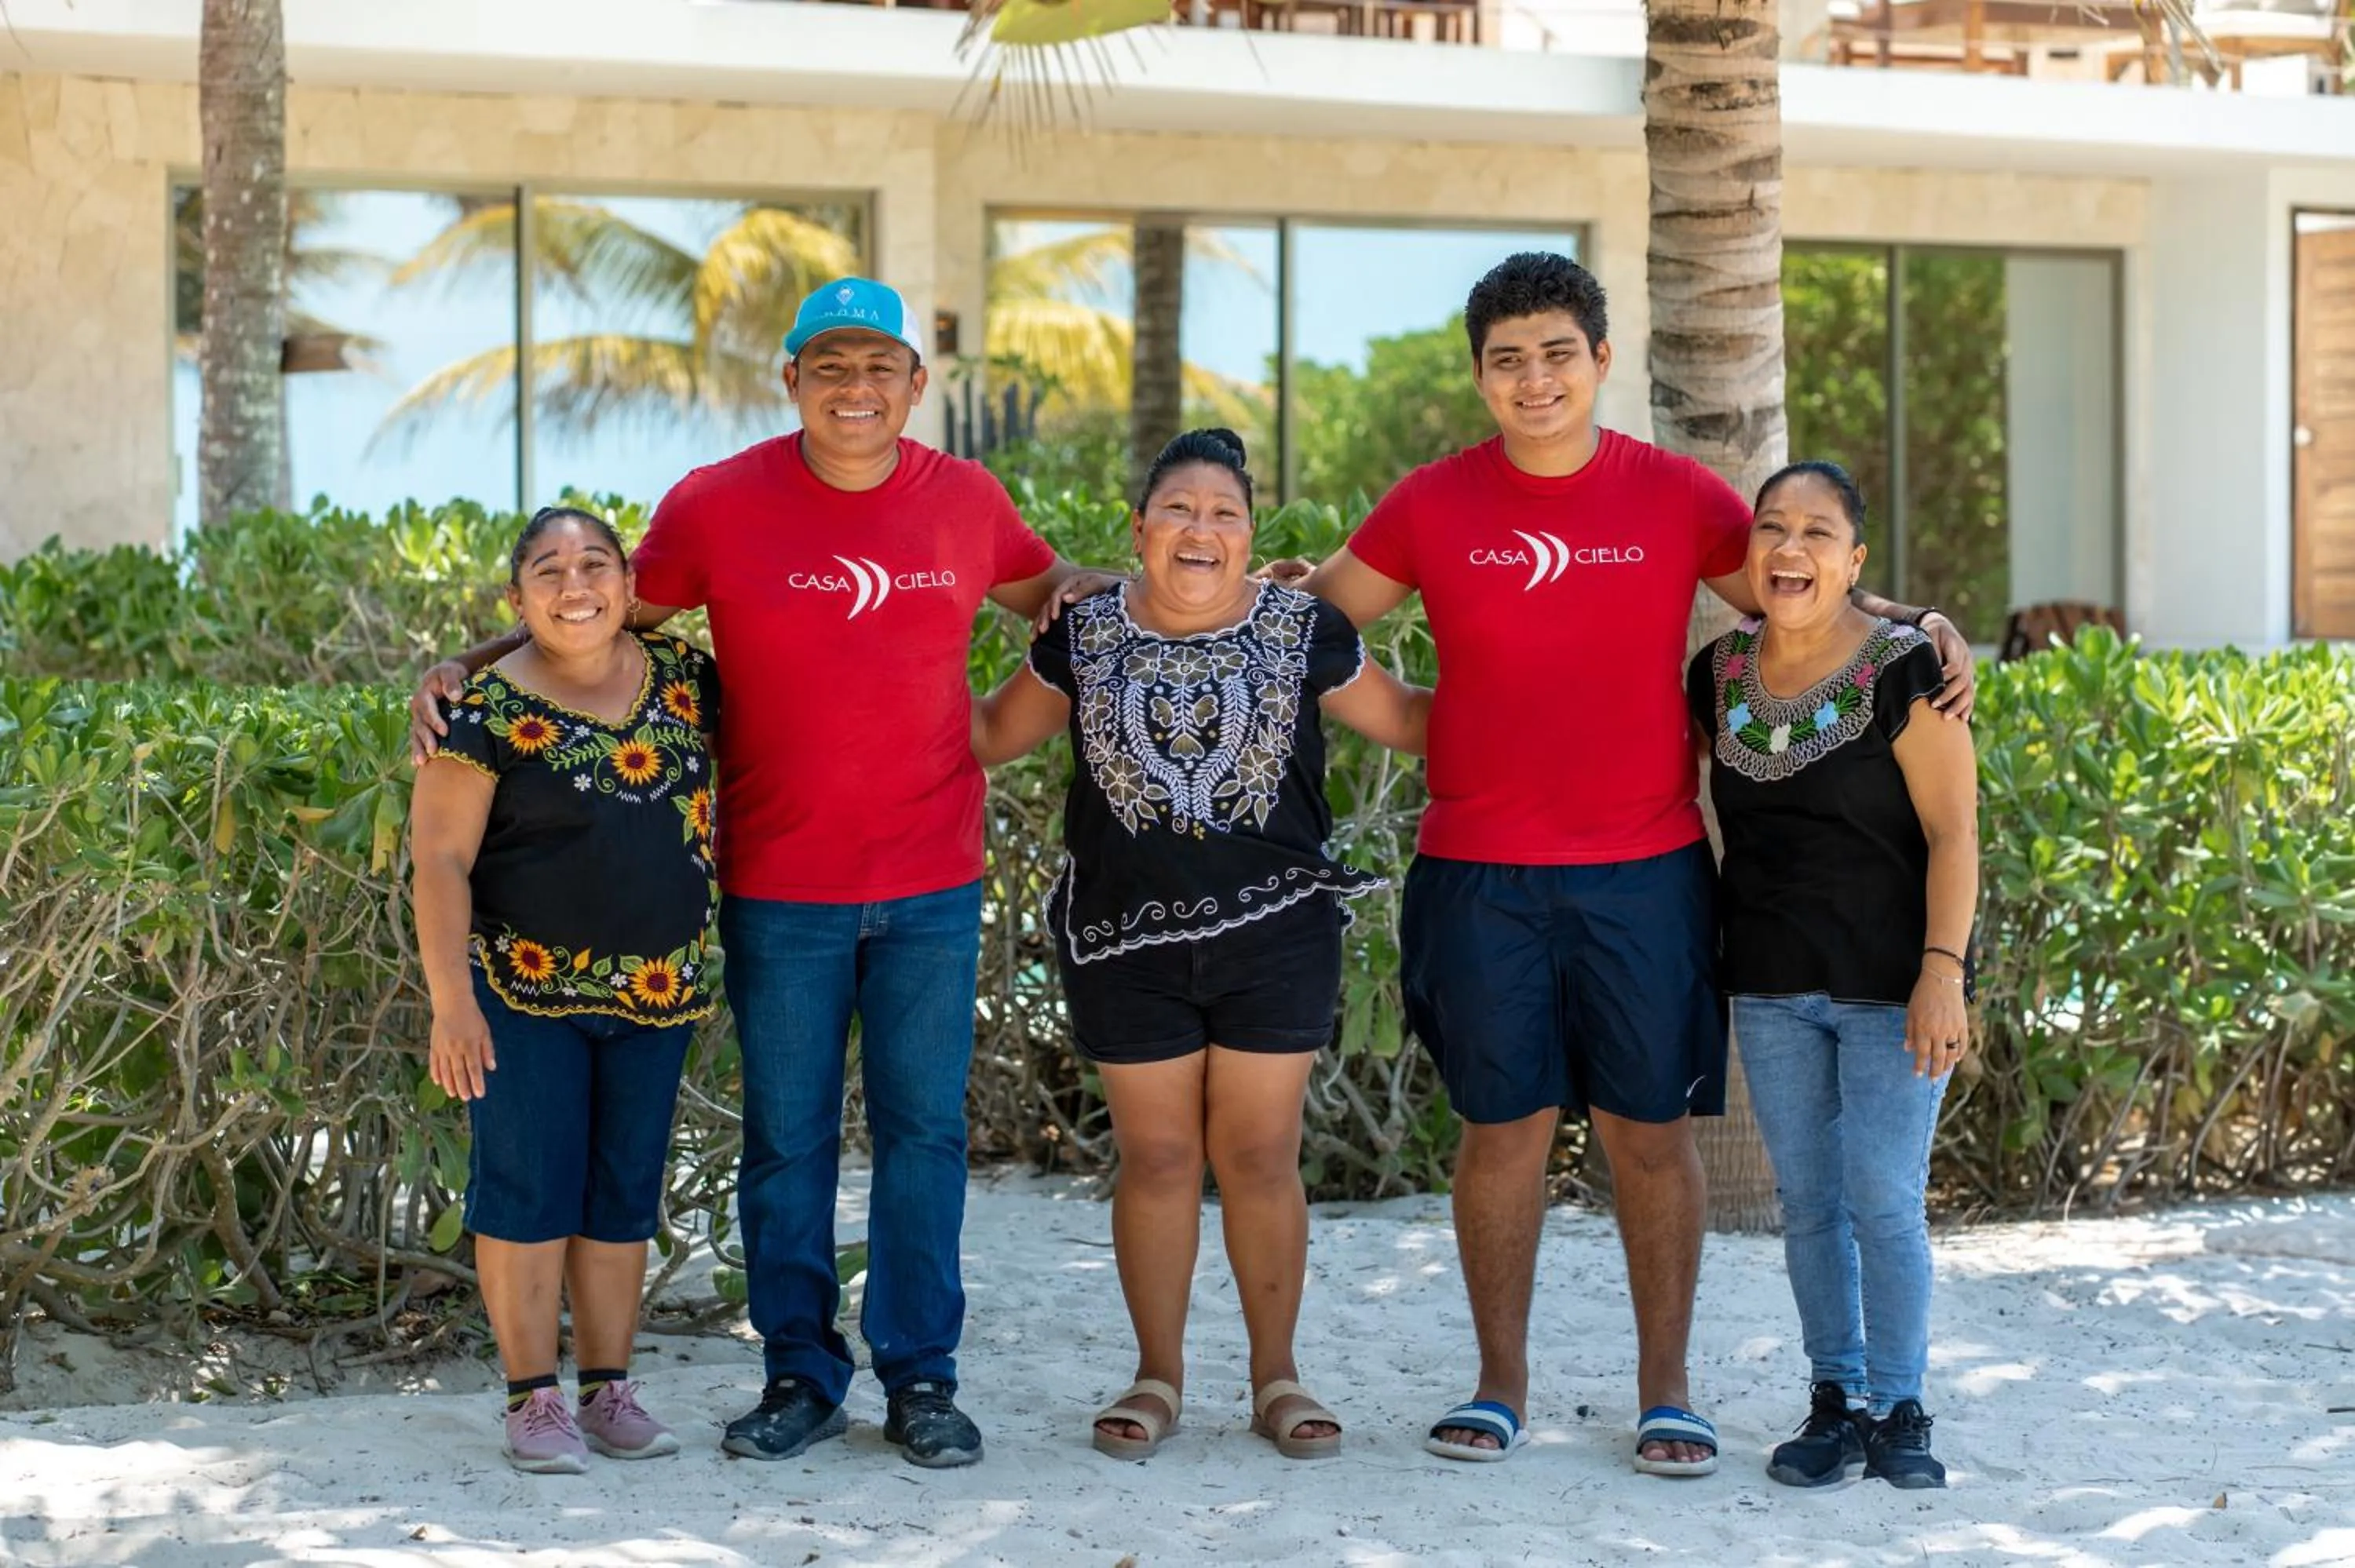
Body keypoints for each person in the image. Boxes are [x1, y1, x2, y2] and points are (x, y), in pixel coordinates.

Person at [1271, 252, 1977, 1474]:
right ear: (1481, 376)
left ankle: (1670, 1393)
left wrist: (1920, 619)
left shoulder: (1677, 495)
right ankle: (1499, 1386)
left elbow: (1806, 589)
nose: (1533, 378)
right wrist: (1431, 717)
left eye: (1557, 352)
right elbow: (1317, 630)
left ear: (1601, 359)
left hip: (1646, 872)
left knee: (1650, 1134)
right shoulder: (1431, 503)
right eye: (1507, 359)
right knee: (1501, 1132)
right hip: (1477, 873)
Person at [410, 278, 1112, 1469]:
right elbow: (596, 613)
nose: (855, 388)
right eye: (828, 366)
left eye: (878, 366)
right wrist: (462, 665)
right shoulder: (718, 504)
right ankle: (799, 1373)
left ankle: (922, 1378)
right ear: (790, 380)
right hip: (781, 888)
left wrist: (1185, 592)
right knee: (787, 1142)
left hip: (933, 885)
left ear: (914, 385)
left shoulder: (969, 502)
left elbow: (1048, 594)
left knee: (924, 1138)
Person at [972, 429, 1430, 1461]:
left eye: (1224, 512)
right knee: (1161, 1154)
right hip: (1121, 939)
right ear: (1139, 530)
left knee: (1261, 1152)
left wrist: (1556, 699)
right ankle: (1158, 1374)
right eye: (1179, 508)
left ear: (1250, 534)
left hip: (1278, 931)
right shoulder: (1083, 633)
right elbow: (988, 735)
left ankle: (1278, 1376)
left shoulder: (1303, 627)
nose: (1201, 528)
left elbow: (1404, 717)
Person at [410, 505, 722, 1475]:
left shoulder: (691, 682)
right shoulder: (482, 712)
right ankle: (531, 1397)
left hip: (658, 992)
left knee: (622, 1195)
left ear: (631, 590)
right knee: (525, 1190)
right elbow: (440, 864)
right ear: (516, 600)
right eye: (548, 570)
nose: (575, 584)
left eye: (597, 565)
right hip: (518, 990)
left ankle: (609, 1388)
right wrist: (452, 1002)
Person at [1686, 461, 1977, 1490]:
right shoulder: (1717, 672)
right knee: (1808, 1202)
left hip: (1894, 985)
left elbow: (1953, 831)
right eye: (1772, 529)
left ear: (1855, 561)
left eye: (1818, 533)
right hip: (1767, 983)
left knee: (1884, 1199)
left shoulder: (1908, 668)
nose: (1790, 549)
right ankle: (1836, 1401)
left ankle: (1901, 1407)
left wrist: (1943, 970)